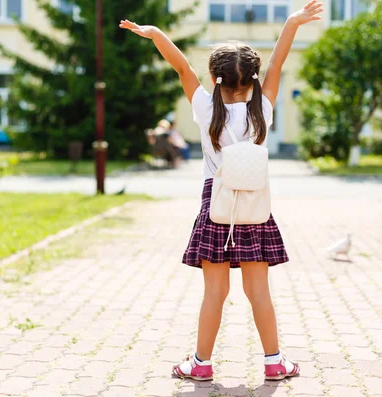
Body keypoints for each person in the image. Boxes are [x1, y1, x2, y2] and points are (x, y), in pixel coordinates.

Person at [120, 0, 323, 382]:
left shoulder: (204, 108)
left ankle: (201, 364)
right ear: (254, 80)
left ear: (216, 79)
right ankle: (274, 361)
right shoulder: (262, 108)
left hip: (216, 203)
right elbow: (278, 64)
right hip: (254, 205)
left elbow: (182, 66)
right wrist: (292, 22)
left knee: (215, 291)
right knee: (258, 290)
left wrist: (155, 34)